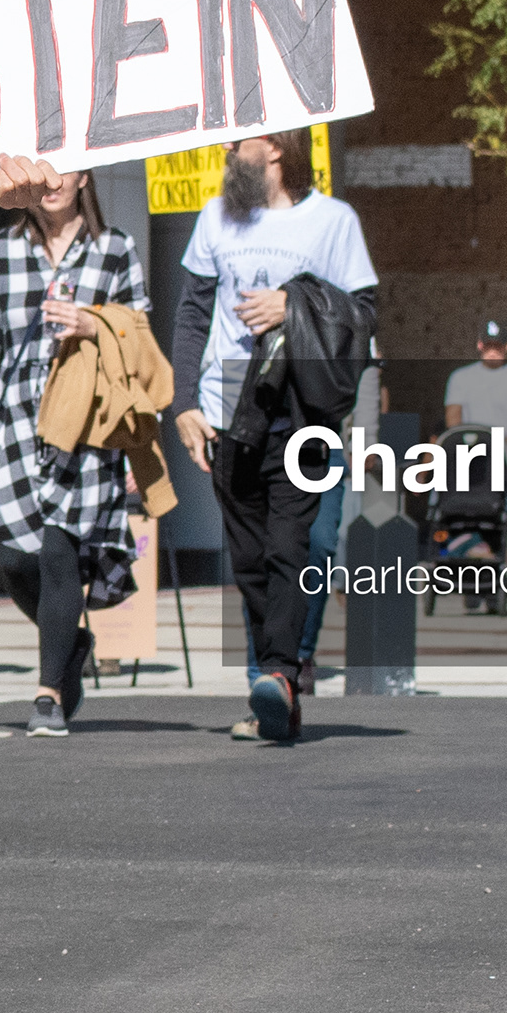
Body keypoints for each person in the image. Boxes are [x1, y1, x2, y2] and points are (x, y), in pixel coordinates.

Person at [167, 129, 378, 744]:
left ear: (278, 149)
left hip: (298, 406)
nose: (228, 151)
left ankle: (281, 676)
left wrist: (293, 304)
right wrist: (183, 404)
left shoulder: (332, 220)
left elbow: (362, 314)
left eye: (240, 142)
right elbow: (191, 314)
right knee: (251, 558)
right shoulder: (213, 220)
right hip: (226, 406)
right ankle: (274, 690)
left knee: (293, 547)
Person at [0, 157, 149, 740]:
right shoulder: (6, 249)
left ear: (85, 180)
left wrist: (92, 324)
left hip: (85, 425)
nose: (53, 186)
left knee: (60, 555)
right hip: (17, 428)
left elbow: (140, 332)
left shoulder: (115, 249)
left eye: (66, 174)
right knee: (17, 560)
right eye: (44, 176)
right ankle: (70, 642)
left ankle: (48, 693)